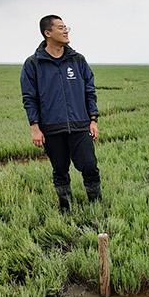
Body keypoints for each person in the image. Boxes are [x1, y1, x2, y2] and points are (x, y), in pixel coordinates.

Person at [22, 14, 100, 211]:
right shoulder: (33, 64)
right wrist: (35, 128)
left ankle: (96, 206)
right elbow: (29, 98)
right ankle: (66, 209)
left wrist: (93, 120)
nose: (66, 31)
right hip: (51, 127)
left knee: (90, 166)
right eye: (61, 28)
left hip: (80, 124)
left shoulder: (78, 60)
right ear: (47, 33)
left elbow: (89, 91)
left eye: (66, 28)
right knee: (60, 170)